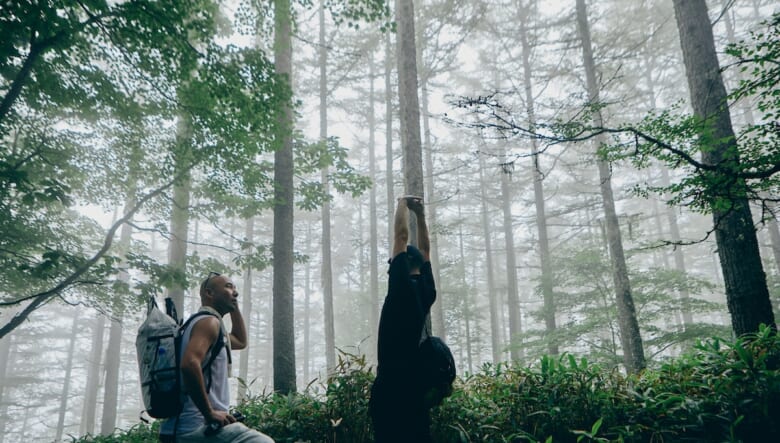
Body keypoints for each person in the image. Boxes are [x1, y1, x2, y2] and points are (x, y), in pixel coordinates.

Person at [159, 273, 274, 443]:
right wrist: (209, 413)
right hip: (194, 427)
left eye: (235, 289)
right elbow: (189, 364)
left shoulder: (199, 324)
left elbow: (240, 341)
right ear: (209, 293)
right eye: (228, 287)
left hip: (179, 428)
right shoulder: (209, 323)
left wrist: (233, 303)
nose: (235, 292)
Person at [370, 196, 437, 443]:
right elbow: (426, 250)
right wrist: (420, 215)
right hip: (415, 388)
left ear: (401, 265)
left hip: (390, 387)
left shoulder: (400, 288)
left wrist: (401, 203)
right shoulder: (428, 291)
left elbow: (401, 237)